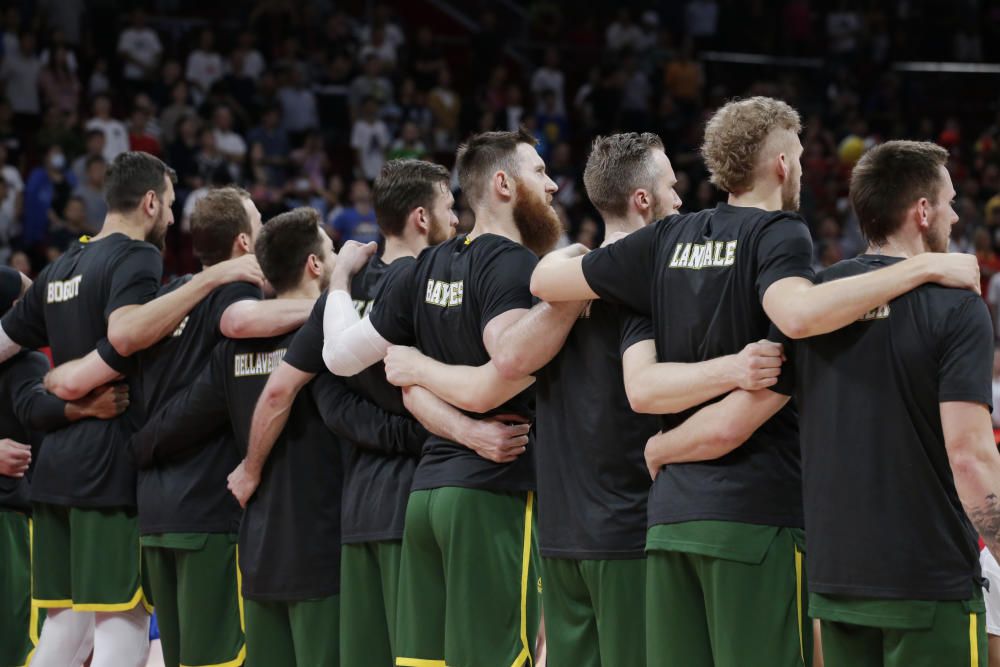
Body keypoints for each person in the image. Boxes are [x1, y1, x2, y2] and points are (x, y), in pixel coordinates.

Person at [529, 97, 981, 666]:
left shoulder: (669, 239)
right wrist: (923, 266)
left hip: (669, 522)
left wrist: (665, 443)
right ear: (784, 165)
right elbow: (796, 316)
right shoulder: (780, 234)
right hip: (755, 518)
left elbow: (553, 286)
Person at [229, 159, 528, 665]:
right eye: (448, 207)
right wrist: (418, 434)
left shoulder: (339, 297)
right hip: (433, 488)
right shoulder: (431, 283)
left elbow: (309, 390)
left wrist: (250, 467)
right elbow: (420, 380)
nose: (455, 220)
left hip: (360, 506)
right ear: (420, 217)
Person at [312, 129, 581, 666]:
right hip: (492, 494)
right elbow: (506, 361)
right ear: (503, 184)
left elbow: (342, 356)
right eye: (539, 172)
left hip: (426, 498)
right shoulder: (514, 266)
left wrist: (340, 280)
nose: (552, 186)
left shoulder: (424, 267)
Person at [0, 152, 261, 667]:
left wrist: (65, 391)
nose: (169, 218)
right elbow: (126, 332)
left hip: (52, 473)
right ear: (148, 201)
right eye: (166, 205)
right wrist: (210, 279)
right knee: (122, 622)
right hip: (107, 469)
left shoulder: (59, 268)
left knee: (65, 631)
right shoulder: (137, 257)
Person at [46, 187, 313, 667]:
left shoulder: (165, 299)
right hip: (209, 510)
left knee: (176, 657)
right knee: (221, 658)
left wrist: (57, 379)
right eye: (258, 220)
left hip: (154, 515)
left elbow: (87, 370)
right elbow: (237, 321)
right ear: (243, 244)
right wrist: (346, 308)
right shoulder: (235, 292)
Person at [763, 140, 995, 665]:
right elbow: (971, 457)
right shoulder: (957, 305)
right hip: (927, 581)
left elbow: (748, 414)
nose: (957, 214)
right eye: (950, 201)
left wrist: (665, 446)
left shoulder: (817, 302)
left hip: (837, 579)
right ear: (922, 211)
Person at [132, 208, 343, 666]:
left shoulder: (230, 353)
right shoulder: (332, 339)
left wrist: (130, 447)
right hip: (325, 546)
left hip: (260, 552)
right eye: (332, 250)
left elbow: (175, 423)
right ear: (314, 265)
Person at [0, 266, 128, 667]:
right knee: (22, 640)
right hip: (13, 519)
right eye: (27, 303)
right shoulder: (29, 362)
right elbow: (35, 409)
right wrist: (83, 407)